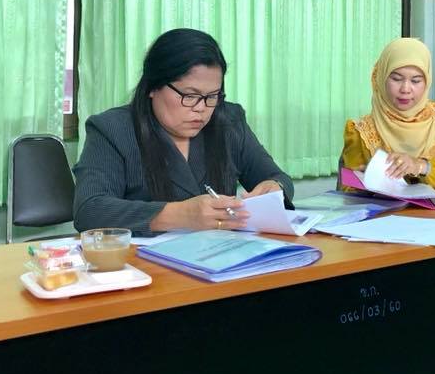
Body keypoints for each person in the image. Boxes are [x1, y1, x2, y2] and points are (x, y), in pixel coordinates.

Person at [73, 28, 293, 236]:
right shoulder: (112, 129)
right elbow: (90, 210)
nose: (201, 108)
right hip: (143, 260)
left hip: (222, 255)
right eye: (190, 95)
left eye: (212, 96)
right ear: (152, 87)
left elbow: (278, 178)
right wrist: (180, 215)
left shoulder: (229, 121)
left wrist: (275, 188)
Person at [342, 37, 435, 189]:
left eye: (416, 81)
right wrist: (364, 183)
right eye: (396, 79)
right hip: (386, 205)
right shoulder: (362, 131)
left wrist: (421, 166)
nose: (405, 89)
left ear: (427, 82)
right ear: (381, 78)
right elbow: (348, 191)